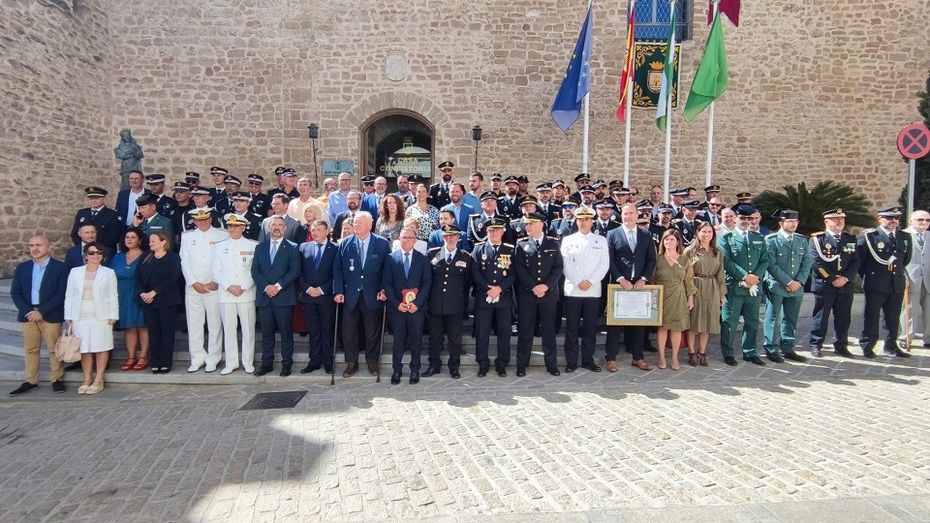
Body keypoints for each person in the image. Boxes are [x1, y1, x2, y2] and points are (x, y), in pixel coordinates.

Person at [9, 236, 69, 396]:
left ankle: (56, 378)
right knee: (31, 349)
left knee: (54, 348)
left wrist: (41, 311)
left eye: (39, 245)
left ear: (49, 247)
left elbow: (61, 293)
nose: (35, 248)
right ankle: (30, 380)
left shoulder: (60, 268)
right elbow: (15, 292)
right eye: (31, 245)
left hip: (50, 314)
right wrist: (28, 311)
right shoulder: (23, 268)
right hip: (28, 315)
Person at [333, 211, 390, 377]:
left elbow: (387, 269)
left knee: (372, 331)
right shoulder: (345, 243)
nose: (356, 225)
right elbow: (337, 269)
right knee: (349, 331)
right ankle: (351, 362)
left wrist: (384, 289)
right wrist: (338, 290)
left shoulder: (381, 243)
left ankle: (372, 361)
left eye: (359, 222)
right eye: (355, 222)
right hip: (350, 294)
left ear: (370, 225)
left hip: (373, 294)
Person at [605, 203, 656, 372]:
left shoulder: (646, 234)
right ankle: (611, 358)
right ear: (621, 215)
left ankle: (638, 357)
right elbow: (609, 260)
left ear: (636, 215)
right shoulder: (612, 234)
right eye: (625, 214)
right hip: (619, 286)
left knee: (639, 323)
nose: (628, 217)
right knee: (615, 324)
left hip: (639, 286)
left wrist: (644, 278)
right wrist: (620, 279)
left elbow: (651, 260)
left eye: (631, 213)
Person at [718, 203, 770, 366]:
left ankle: (749, 351)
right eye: (742, 218)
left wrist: (756, 277)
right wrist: (744, 276)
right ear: (735, 218)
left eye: (749, 218)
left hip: (753, 288)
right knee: (729, 322)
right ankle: (728, 353)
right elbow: (726, 261)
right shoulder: (726, 238)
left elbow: (765, 260)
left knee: (752, 322)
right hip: (735, 287)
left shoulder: (758, 238)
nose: (746, 221)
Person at [64, 242, 119, 394]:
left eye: (99, 253)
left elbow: (113, 295)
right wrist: (68, 315)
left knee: (101, 346)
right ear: (85, 255)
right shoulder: (75, 272)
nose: (96, 255)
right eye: (92, 253)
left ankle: (99, 379)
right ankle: (87, 378)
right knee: (84, 349)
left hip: (101, 315)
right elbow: (70, 294)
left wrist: (113, 314)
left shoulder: (108, 273)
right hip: (80, 315)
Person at [513, 212, 564, 376]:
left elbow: (558, 267)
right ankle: (522, 364)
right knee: (525, 331)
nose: (527, 226)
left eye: (531, 224)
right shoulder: (521, 244)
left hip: (548, 295)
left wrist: (546, 286)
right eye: (526, 224)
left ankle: (551, 364)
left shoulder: (553, 243)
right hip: (528, 295)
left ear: (541, 224)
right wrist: (534, 287)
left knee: (549, 331)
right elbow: (519, 269)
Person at [858, 205, 912, 358]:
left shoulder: (904, 237)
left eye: (896, 218)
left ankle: (890, 345)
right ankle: (868, 345)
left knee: (893, 317)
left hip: (896, 283)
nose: (893, 221)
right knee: (871, 316)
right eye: (889, 217)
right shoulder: (870, 236)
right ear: (879, 218)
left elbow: (905, 259)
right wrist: (869, 277)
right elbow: (860, 262)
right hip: (875, 284)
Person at [560, 207, 609, 373]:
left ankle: (588, 360)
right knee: (572, 328)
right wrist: (578, 281)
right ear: (576, 221)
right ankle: (571, 361)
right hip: (573, 290)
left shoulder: (600, 240)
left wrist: (589, 281)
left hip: (592, 290)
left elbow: (604, 264)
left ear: (592, 221)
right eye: (580, 219)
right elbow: (565, 264)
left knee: (590, 328)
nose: (583, 222)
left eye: (586, 219)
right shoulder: (568, 240)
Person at [180, 208, 229, 372]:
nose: (203, 222)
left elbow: (224, 260)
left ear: (210, 219)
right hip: (194, 288)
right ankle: (197, 358)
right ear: (194, 221)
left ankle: (213, 358)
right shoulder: (187, 237)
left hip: (214, 287)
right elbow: (184, 261)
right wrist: (193, 282)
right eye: (199, 220)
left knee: (215, 325)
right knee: (194, 325)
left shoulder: (222, 235)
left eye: (205, 219)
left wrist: (217, 281)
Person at [251, 216, 301, 376]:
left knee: (286, 333)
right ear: (268, 228)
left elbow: (294, 271)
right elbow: (255, 270)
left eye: (280, 225)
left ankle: (287, 364)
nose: (277, 227)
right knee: (266, 333)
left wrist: (278, 286)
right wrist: (266, 287)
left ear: (285, 228)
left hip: (283, 297)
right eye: (274, 225)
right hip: (265, 297)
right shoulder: (260, 247)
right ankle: (267, 364)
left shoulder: (292, 247)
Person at [809, 208, 861, 357]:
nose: (839, 222)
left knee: (844, 318)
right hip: (825, 285)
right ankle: (816, 344)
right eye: (835, 219)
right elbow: (816, 263)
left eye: (842, 219)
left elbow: (856, 261)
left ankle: (841, 345)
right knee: (821, 317)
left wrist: (846, 278)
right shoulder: (817, 240)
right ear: (826, 222)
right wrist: (832, 279)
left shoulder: (850, 239)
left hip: (845, 285)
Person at [762, 209, 812, 363]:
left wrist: (799, 281)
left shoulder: (801, 240)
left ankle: (788, 348)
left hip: (796, 287)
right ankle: (771, 348)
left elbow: (807, 262)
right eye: (789, 221)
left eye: (795, 221)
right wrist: (788, 282)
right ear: (781, 223)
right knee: (772, 317)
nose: (793, 224)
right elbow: (771, 264)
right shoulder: (771, 240)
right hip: (777, 285)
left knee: (790, 318)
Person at [383, 228, 431, 384]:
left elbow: (426, 283)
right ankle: (397, 370)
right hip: (398, 309)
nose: (407, 240)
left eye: (410, 237)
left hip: (416, 309)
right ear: (399, 239)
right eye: (404, 237)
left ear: (415, 240)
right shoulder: (391, 258)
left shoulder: (422, 259)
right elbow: (387, 284)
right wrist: (397, 304)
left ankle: (415, 370)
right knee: (398, 340)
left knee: (416, 340)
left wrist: (417, 304)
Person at [212, 214, 259, 374]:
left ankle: (248, 362)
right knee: (229, 330)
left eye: (236, 226)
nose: (232, 229)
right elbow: (215, 270)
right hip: (227, 294)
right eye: (230, 226)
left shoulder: (253, 246)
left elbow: (254, 270)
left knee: (248, 330)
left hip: (246, 294)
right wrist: (229, 287)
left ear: (243, 228)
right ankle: (231, 362)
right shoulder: (219, 246)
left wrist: (244, 287)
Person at [424, 224, 472, 379]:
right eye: (447, 236)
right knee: (435, 337)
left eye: (453, 236)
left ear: (458, 238)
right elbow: (427, 279)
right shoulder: (432, 254)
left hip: (455, 304)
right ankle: (434, 365)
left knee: (455, 338)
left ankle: (454, 367)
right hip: (435, 303)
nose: (450, 239)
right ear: (443, 237)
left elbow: (467, 283)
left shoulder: (465, 257)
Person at [471, 218, 515, 376]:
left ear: (503, 231)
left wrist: (500, 288)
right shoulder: (479, 249)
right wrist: (487, 289)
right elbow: (474, 271)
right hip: (484, 297)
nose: (494, 233)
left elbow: (513, 273)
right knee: (482, 332)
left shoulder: (510, 250)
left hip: (504, 298)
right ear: (486, 232)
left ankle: (502, 363)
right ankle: (482, 363)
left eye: (497, 230)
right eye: (491, 230)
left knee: (504, 333)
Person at [136, 231, 183, 373]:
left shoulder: (173, 258)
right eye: (150, 241)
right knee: (153, 332)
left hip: (167, 300)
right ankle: (155, 362)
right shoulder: (145, 257)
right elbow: (137, 276)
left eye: (153, 241)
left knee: (166, 332)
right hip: (149, 301)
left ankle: (165, 362)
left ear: (163, 242)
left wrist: (154, 292)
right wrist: (143, 293)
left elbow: (173, 278)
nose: (150, 244)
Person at [297, 220, 338, 375]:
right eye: (313, 230)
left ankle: (328, 361)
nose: (315, 232)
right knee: (313, 331)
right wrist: (307, 288)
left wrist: (322, 289)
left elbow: (337, 273)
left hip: (326, 297)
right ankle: (314, 361)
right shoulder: (303, 247)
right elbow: (299, 272)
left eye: (319, 229)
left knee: (327, 330)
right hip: (308, 297)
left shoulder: (335, 248)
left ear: (327, 231)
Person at [652, 230, 696, 370]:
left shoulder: (684, 260)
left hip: (679, 297)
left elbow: (689, 281)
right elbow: (651, 279)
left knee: (676, 329)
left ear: (677, 242)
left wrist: (690, 299)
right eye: (666, 239)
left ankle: (675, 358)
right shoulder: (657, 259)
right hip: (661, 297)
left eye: (672, 239)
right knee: (662, 327)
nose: (668, 242)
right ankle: (661, 357)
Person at [684, 223, 725, 366]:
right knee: (693, 322)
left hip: (712, 287)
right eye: (704, 231)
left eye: (709, 232)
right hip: (695, 286)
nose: (706, 234)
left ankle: (702, 352)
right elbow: (685, 273)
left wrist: (721, 294)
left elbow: (721, 274)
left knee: (707, 322)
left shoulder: (717, 252)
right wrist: (688, 293)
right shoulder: (690, 251)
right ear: (698, 233)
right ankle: (691, 352)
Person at [112, 228, 149, 371]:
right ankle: (131, 357)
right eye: (127, 237)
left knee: (142, 325)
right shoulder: (118, 257)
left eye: (133, 237)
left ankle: (143, 356)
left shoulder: (146, 256)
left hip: (140, 293)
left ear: (139, 240)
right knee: (129, 326)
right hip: (122, 294)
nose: (129, 239)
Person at [901, 209, 930, 348]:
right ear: (911, 221)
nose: (924, 222)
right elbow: (899, 259)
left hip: (928, 280)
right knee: (909, 310)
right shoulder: (902, 236)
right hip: (910, 279)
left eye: (927, 220)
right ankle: (906, 338)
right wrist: (902, 276)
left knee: (929, 312)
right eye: (920, 219)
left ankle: (928, 339)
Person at [71, 186, 124, 253]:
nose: (93, 200)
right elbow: (75, 234)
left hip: (104, 252)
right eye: (91, 198)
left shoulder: (113, 215)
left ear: (104, 198)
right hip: (83, 251)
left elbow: (114, 237)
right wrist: (83, 247)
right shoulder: (82, 213)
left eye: (96, 198)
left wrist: (96, 249)